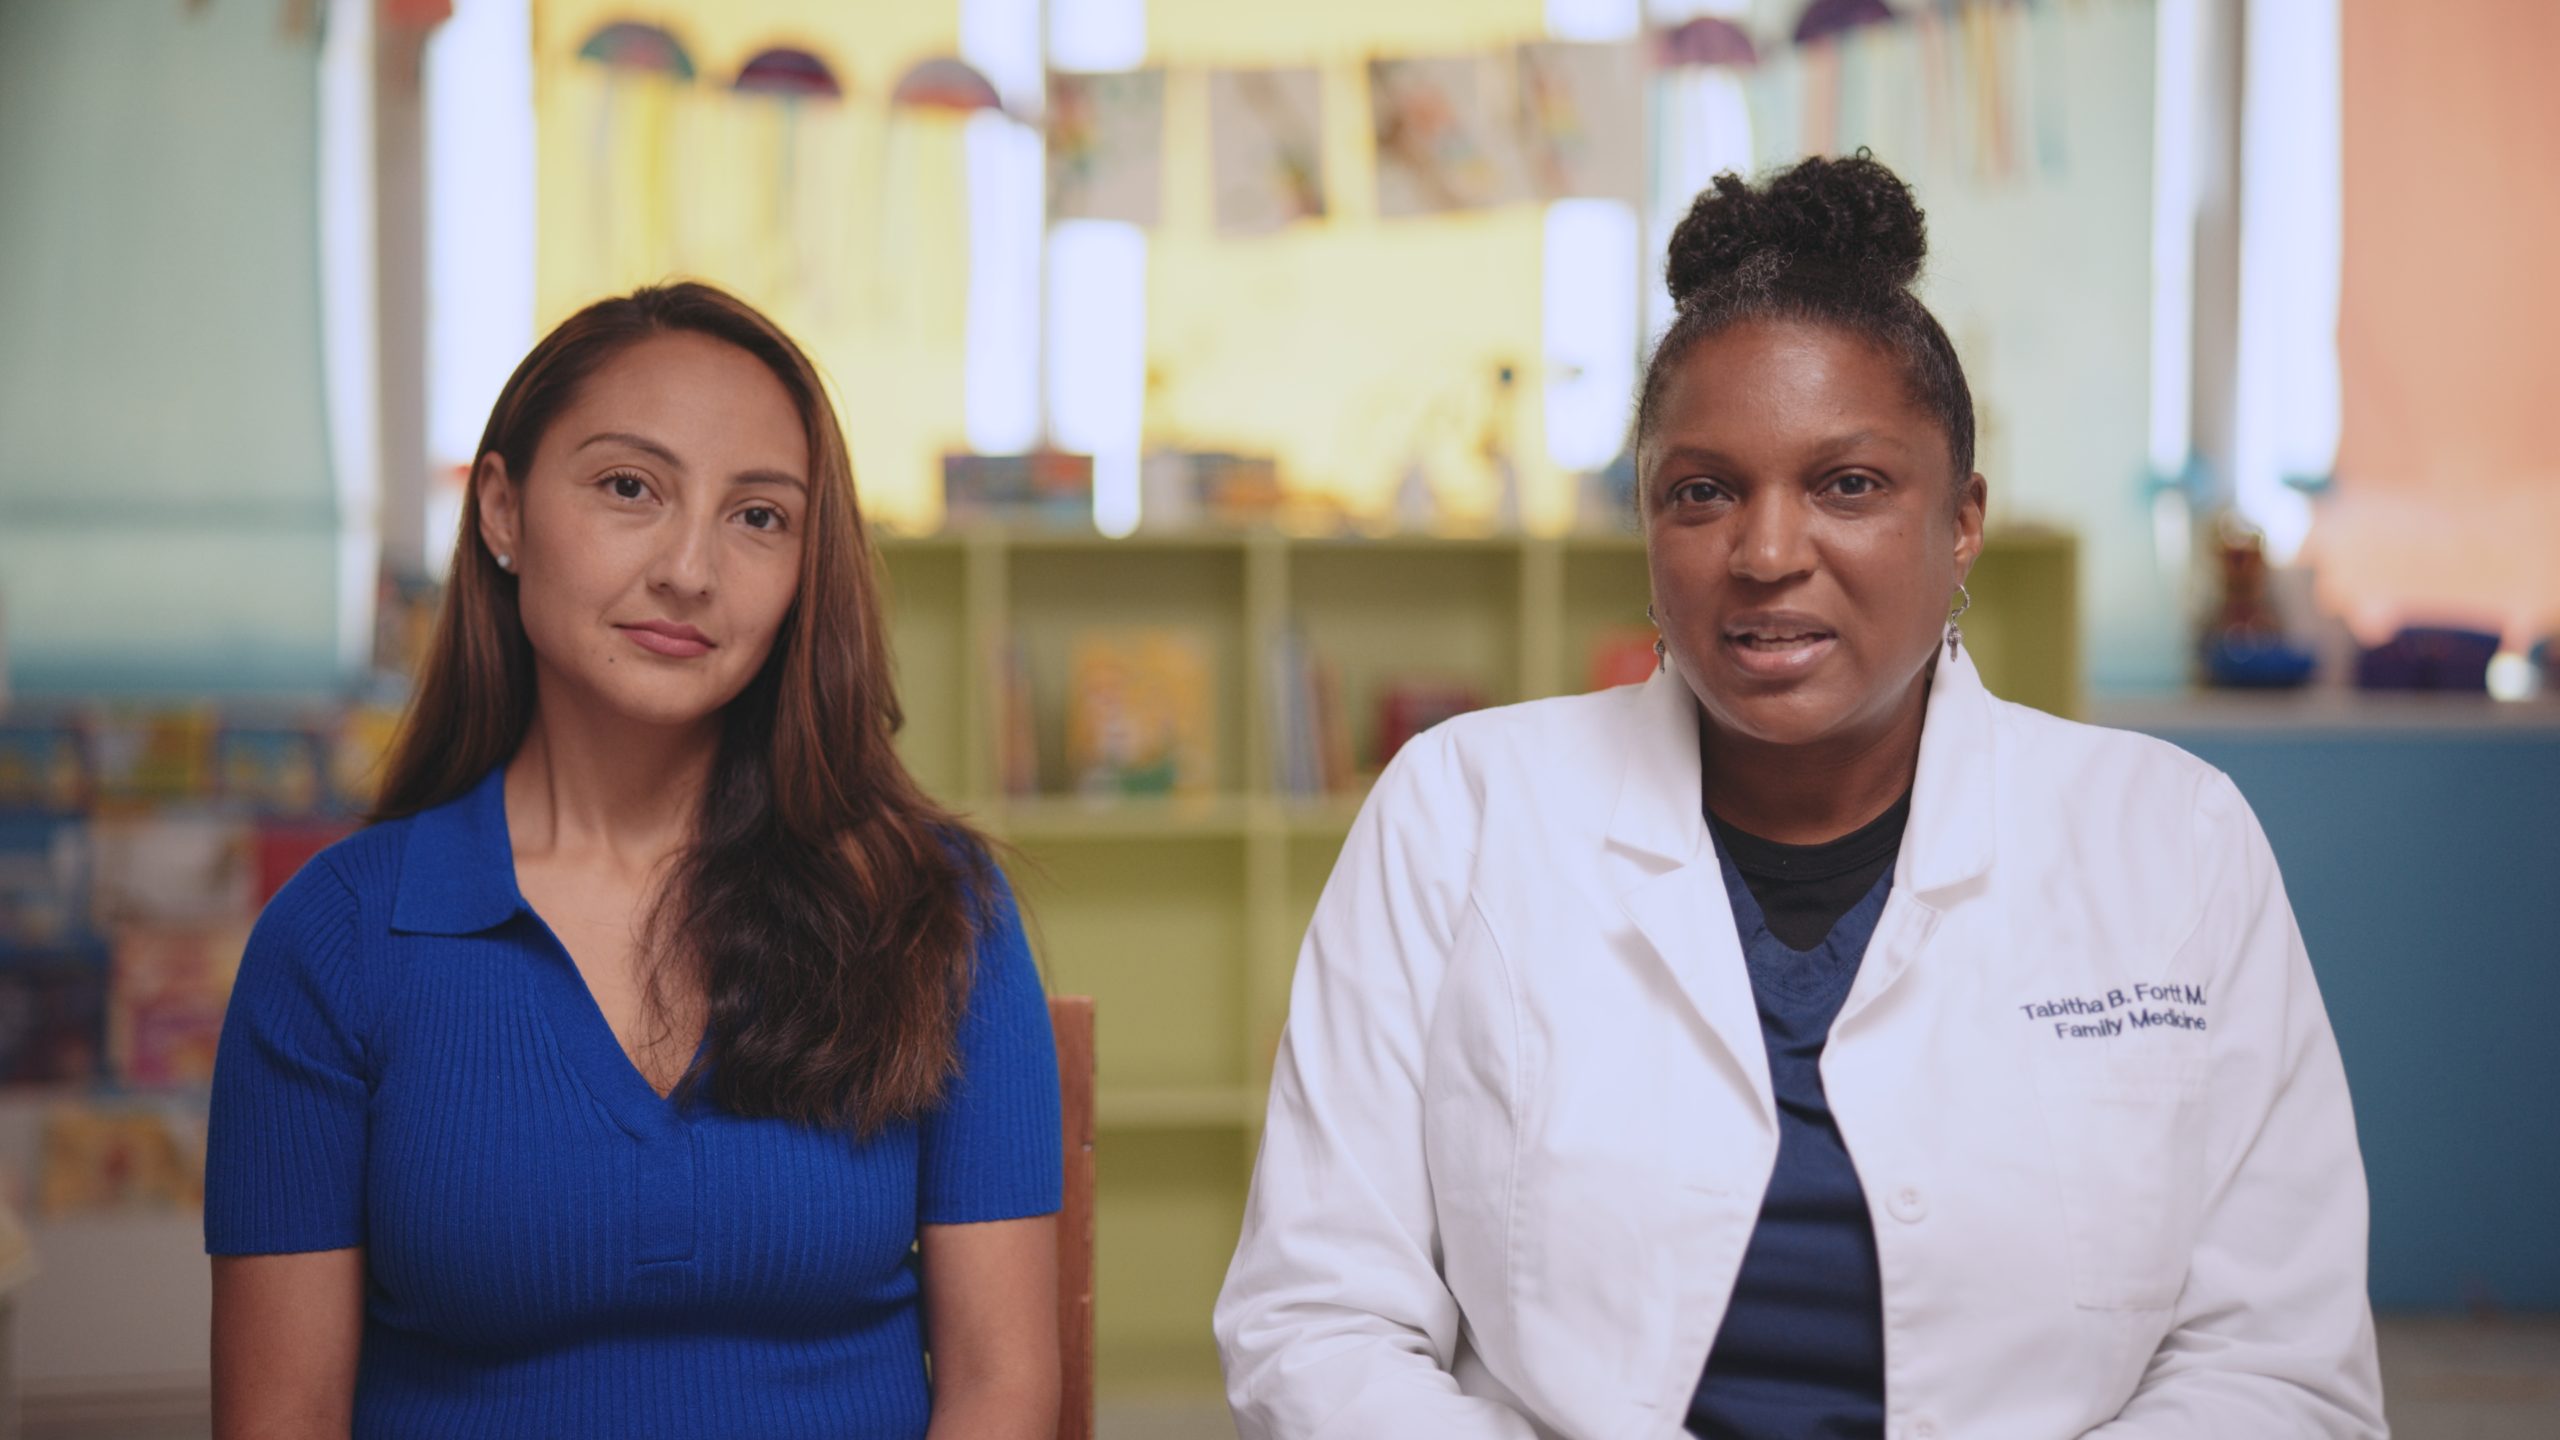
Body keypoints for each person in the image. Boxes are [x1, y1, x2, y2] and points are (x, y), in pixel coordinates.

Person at [1214, 154, 2383, 1439]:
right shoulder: (1461, 812)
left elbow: (2275, 1368)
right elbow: (1317, 1319)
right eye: (1703, 491)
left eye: (1849, 484)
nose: (1766, 555)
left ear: (1961, 522)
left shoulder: (2172, 841)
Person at [205, 283, 1063, 1439]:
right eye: (629, 489)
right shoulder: (335, 941)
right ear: (502, 512)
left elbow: (1000, 1391)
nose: (690, 572)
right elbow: (281, 1417)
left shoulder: (931, 910)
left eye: (759, 517)